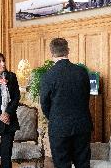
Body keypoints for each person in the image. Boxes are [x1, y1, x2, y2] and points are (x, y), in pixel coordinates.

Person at [40, 38, 93, 168]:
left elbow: (44, 104)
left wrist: (54, 117)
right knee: (83, 164)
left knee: (62, 165)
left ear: (51, 53)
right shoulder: (82, 72)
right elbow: (86, 97)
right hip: (82, 125)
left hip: (59, 127)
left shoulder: (48, 75)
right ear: (68, 51)